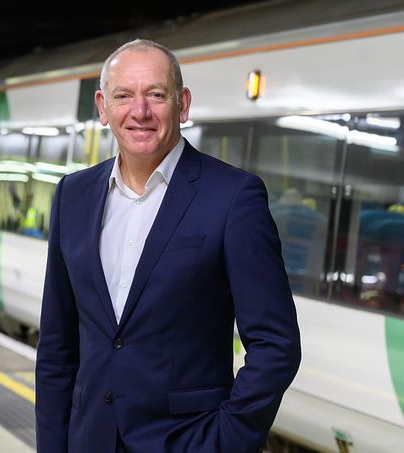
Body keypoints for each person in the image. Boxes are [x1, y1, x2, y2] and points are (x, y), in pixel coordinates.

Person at [35, 40, 301, 453]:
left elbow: (276, 345)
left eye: (156, 95)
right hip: (89, 439)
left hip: (188, 441)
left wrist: (224, 441)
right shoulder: (73, 194)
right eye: (124, 96)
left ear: (183, 104)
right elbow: (57, 344)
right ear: (103, 107)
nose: (139, 111)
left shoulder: (233, 197)